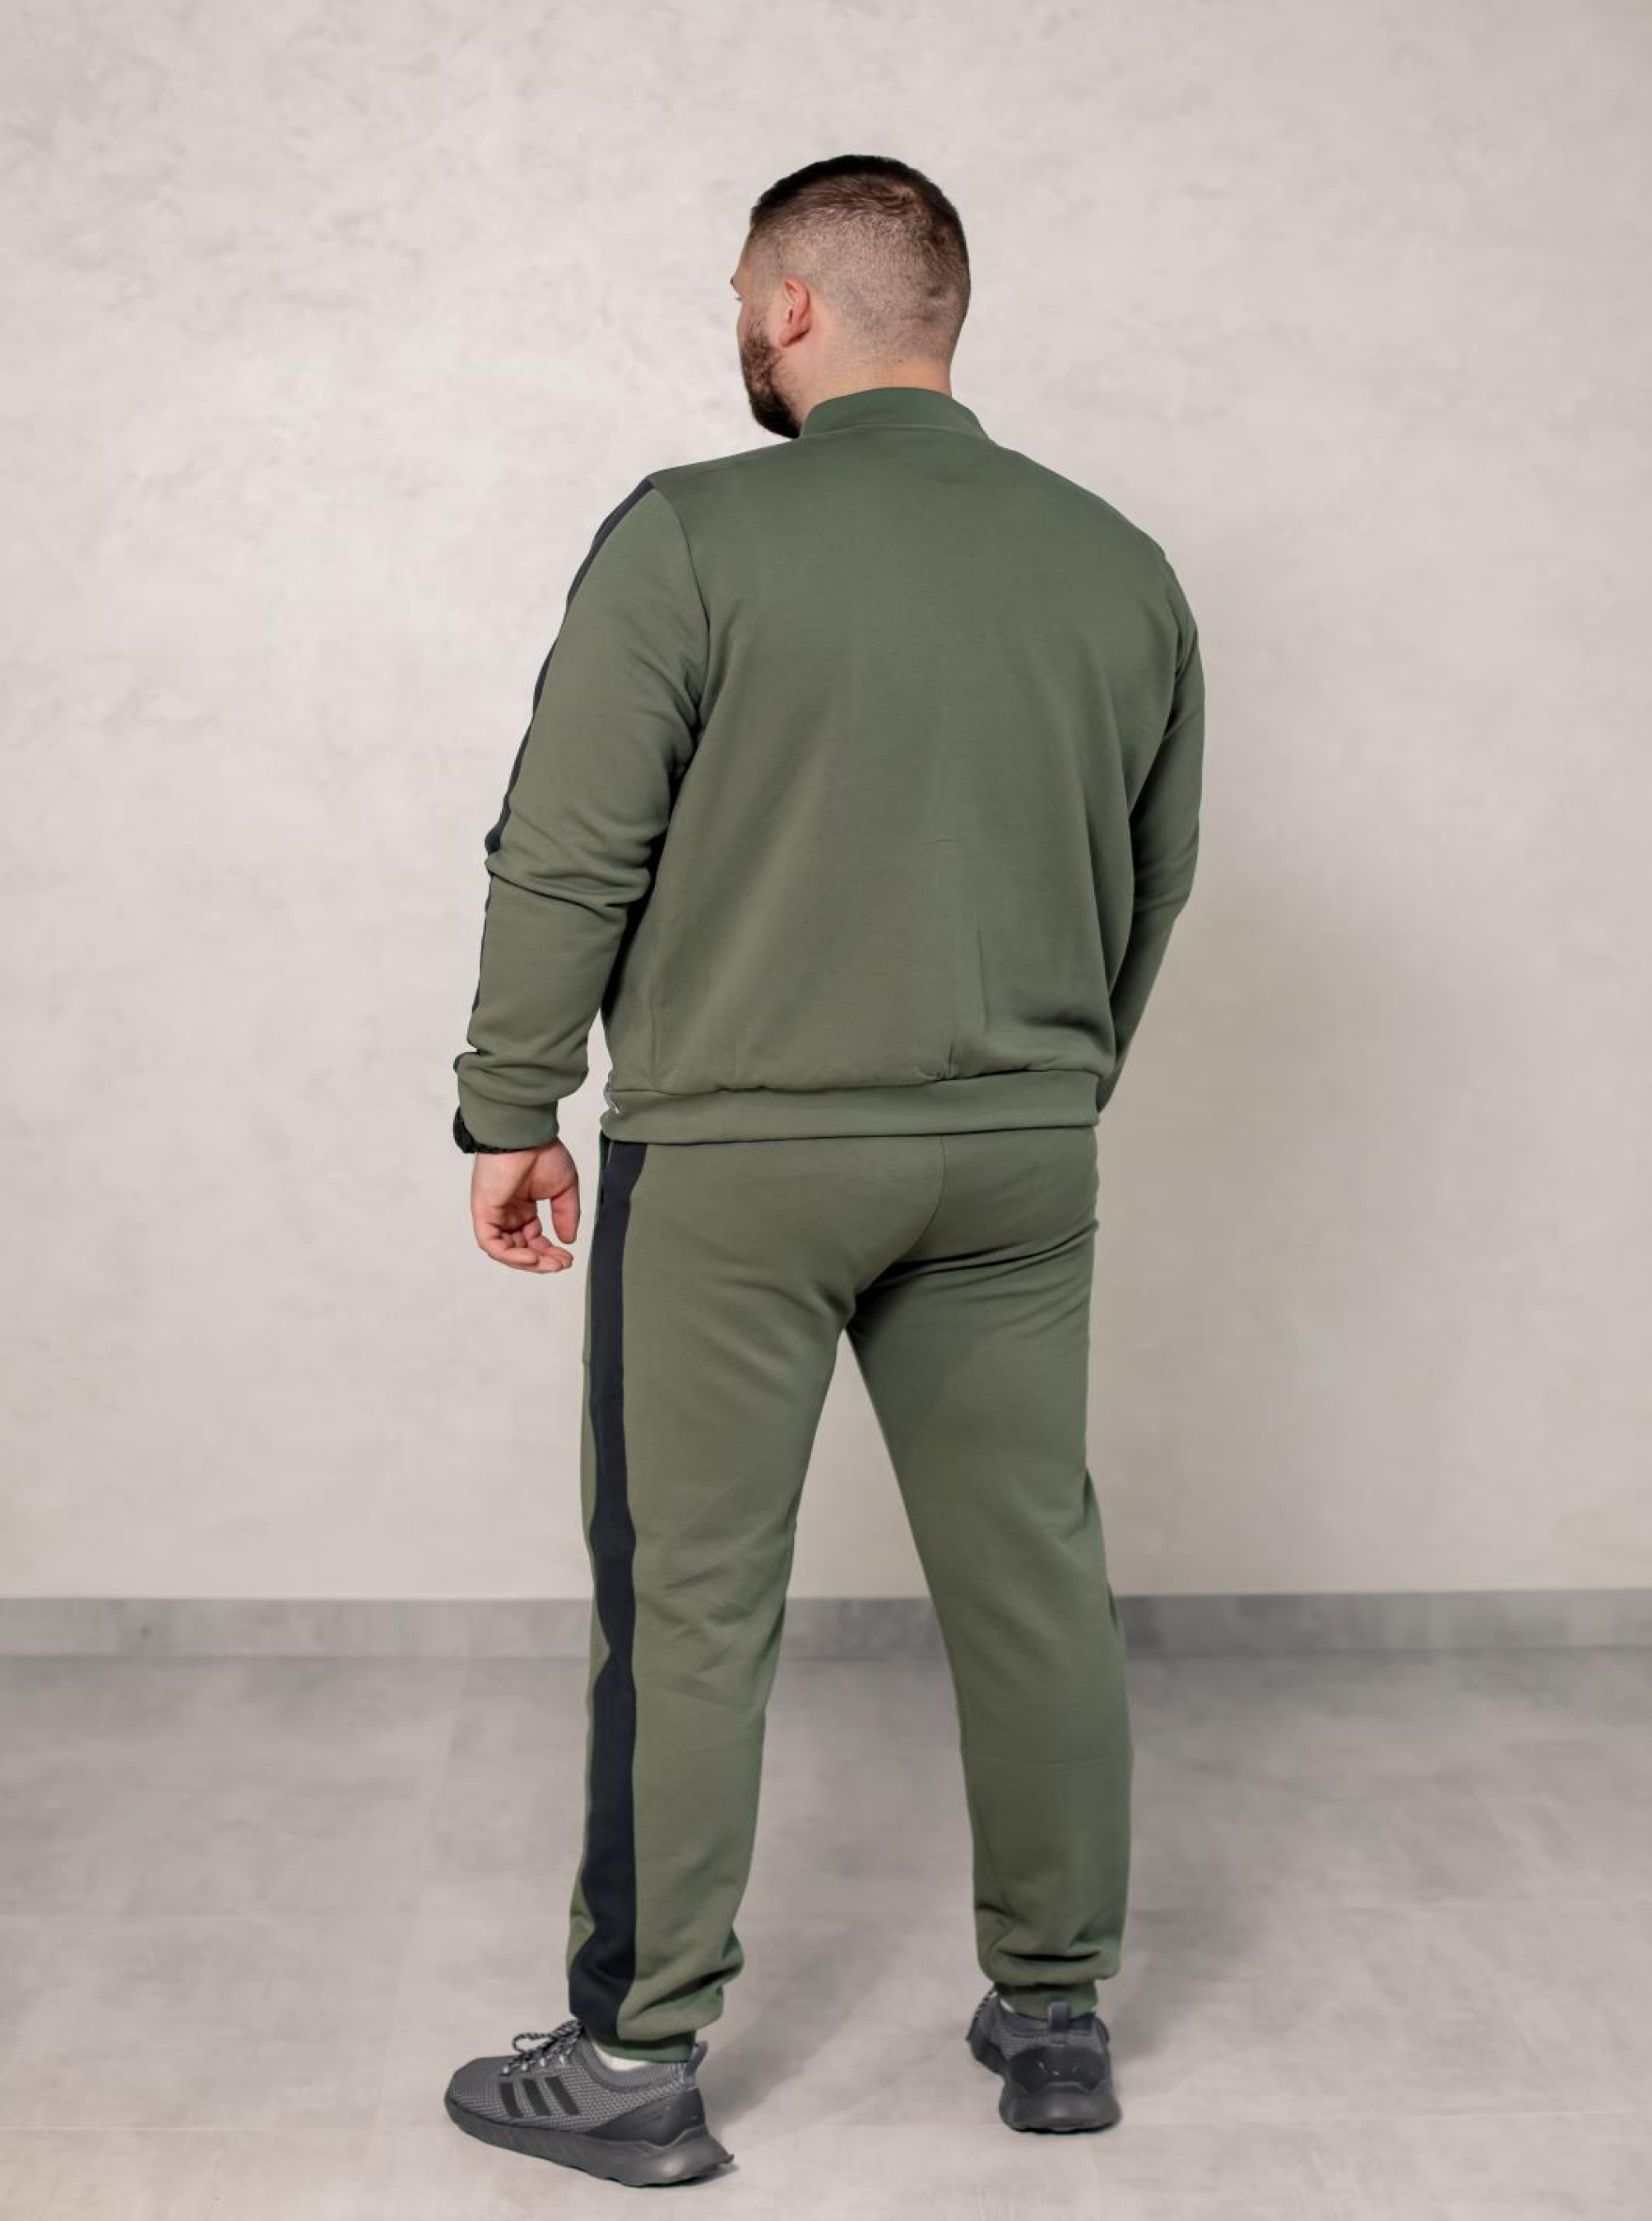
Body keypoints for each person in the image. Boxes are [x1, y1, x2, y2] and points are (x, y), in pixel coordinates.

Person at [442, 152, 1205, 2188]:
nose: (739, 325)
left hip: (739, 1164)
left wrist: (509, 1104)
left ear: (789, 306)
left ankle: (634, 2061)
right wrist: (1044, 1088)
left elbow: (568, 848)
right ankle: (1053, 2013)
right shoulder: (1114, 563)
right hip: (1015, 1156)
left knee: (691, 1601)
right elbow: (1151, 881)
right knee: (1030, 1572)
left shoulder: (694, 531)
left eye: (737, 296)